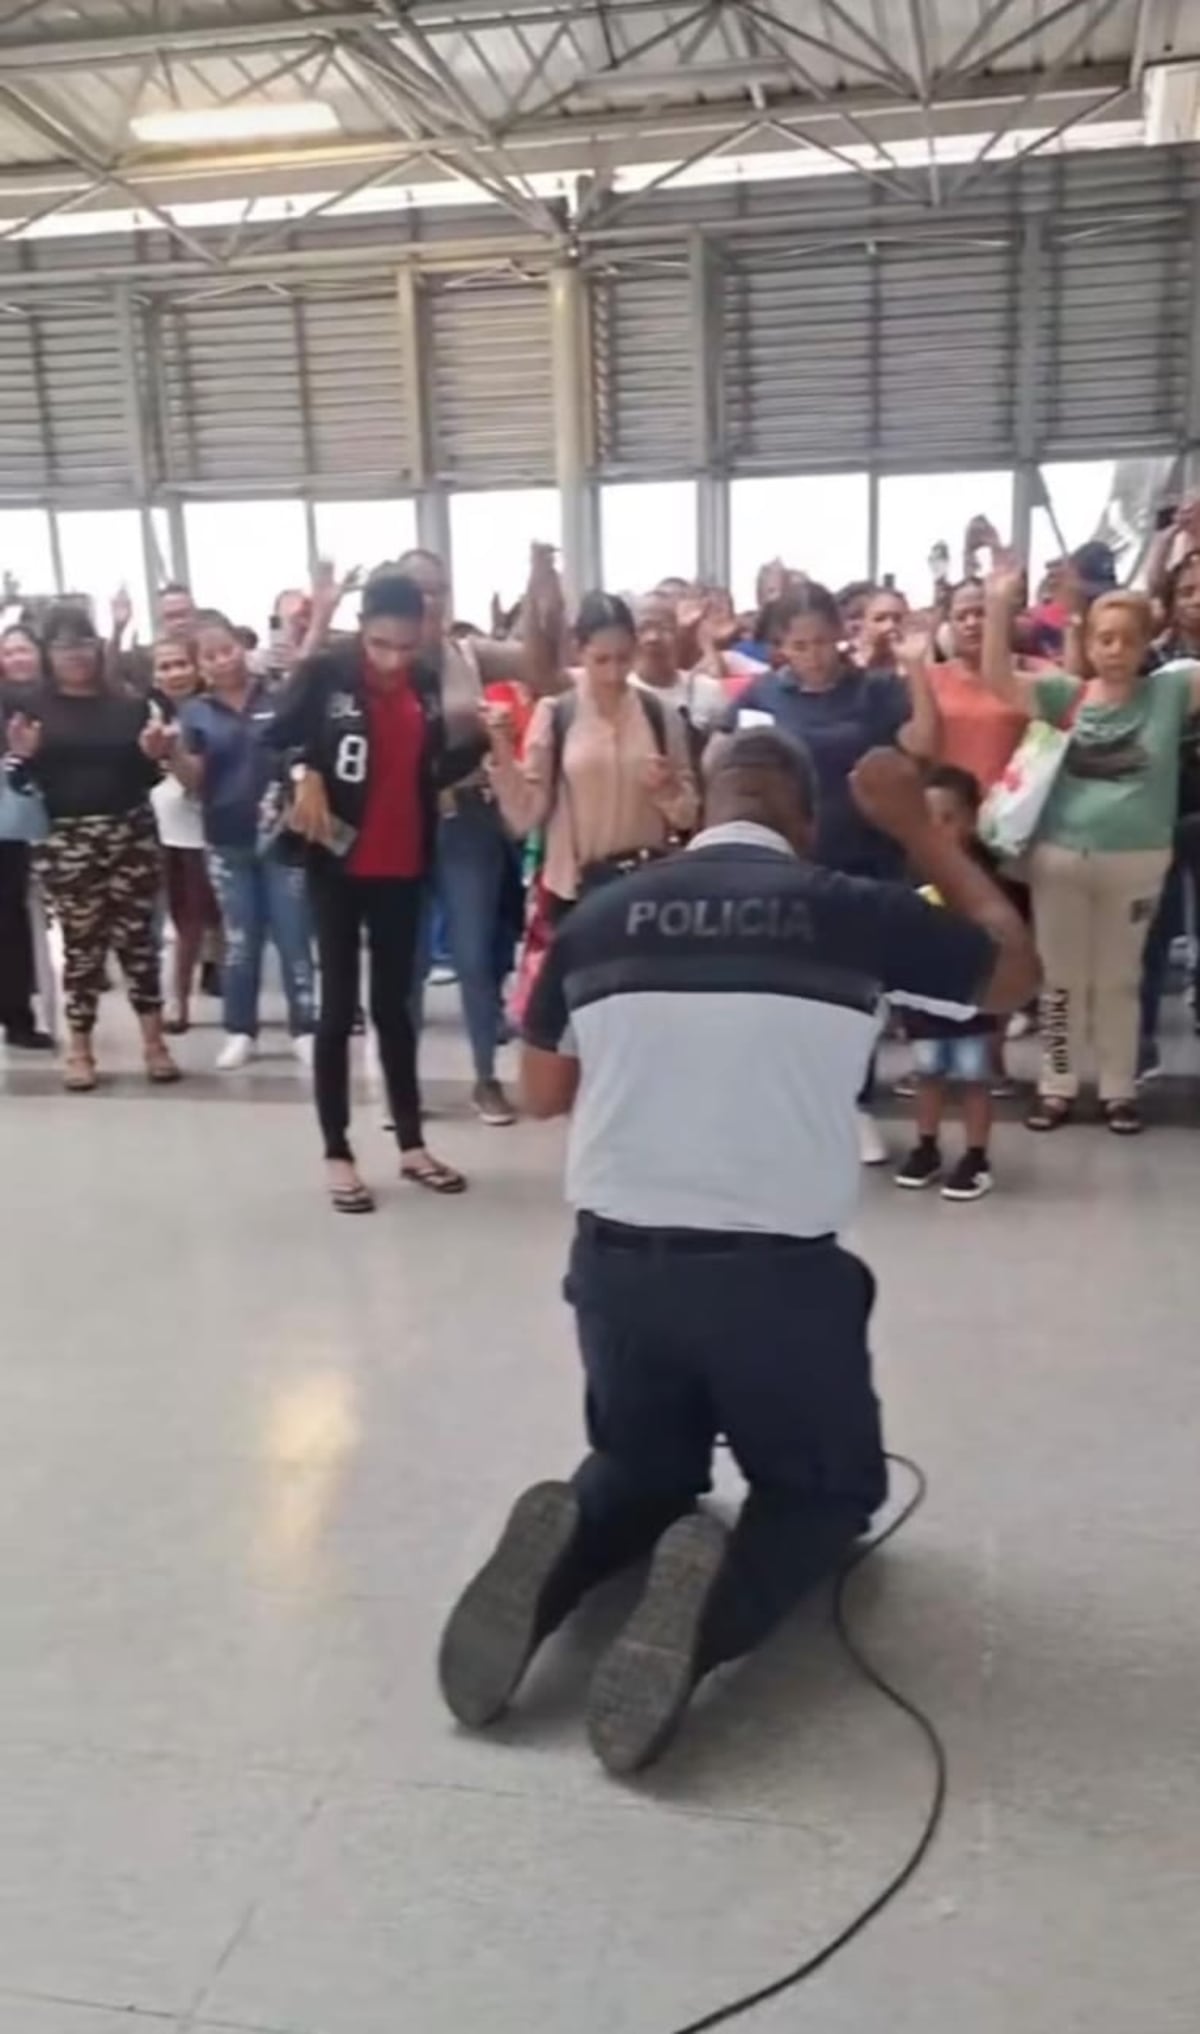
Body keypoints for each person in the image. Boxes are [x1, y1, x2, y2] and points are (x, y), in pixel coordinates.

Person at [437, 731, 1039, 1773]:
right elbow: (1014, 974)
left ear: (702, 806)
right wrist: (917, 834)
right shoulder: (853, 909)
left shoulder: (599, 915)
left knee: (644, 1464)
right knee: (822, 1494)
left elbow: (541, 1095)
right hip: (775, 1280)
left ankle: (571, 1548)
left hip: (617, 1268)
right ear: (803, 819)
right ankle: (705, 1617)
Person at [270, 571, 489, 1213]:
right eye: (380, 645)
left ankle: (412, 1143)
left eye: (404, 645)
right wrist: (301, 769)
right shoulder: (326, 675)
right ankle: (337, 1152)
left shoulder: (423, 682)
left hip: (403, 864)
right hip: (337, 865)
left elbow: (425, 771)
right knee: (339, 1011)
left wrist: (480, 746)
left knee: (395, 1010)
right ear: (361, 631)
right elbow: (273, 739)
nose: (393, 659)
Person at [716, 581, 939, 1165]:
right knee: (789, 990)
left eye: (823, 641)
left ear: (843, 636)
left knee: (858, 991)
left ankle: (853, 1100)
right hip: (789, 861)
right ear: (781, 646)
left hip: (866, 857)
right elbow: (736, 766)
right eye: (799, 644)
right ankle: (790, 1104)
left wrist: (918, 669)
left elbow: (923, 747)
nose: (814, 654)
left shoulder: (878, 692)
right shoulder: (762, 695)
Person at [983, 562, 1200, 1133]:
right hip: (1061, 859)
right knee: (1059, 979)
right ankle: (1056, 1085)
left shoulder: (1172, 691)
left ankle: (1117, 1089)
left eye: (1129, 640)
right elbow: (999, 679)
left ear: (1146, 642)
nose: (1115, 650)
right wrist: (1000, 603)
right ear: (1088, 639)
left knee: (1119, 978)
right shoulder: (1065, 693)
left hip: (1137, 863)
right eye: (1105, 638)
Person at [396, 545, 558, 1126]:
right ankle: (402, 1085)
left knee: (472, 954)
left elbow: (539, 666)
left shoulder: (467, 653)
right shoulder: (373, 660)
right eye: (418, 589)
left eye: (439, 587)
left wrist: (541, 593)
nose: (431, 599)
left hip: (467, 817)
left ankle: (487, 1078)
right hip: (399, 823)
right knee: (405, 959)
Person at [4, 603, 179, 1091]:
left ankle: (154, 1043)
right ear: (48, 653)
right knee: (82, 948)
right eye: (63, 647)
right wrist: (22, 756)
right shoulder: (31, 707)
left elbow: (146, 776)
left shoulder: (126, 703)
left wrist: (154, 757)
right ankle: (80, 1049)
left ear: (97, 648)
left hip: (130, 832)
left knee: (139, 944)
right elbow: (20, 781)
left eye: (83, 645)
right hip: (67, 839)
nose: (75, 656)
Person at [486, 591, 698, 918]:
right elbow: (526, 812)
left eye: (624, 658)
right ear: (579, 651)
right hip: (576, 888)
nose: (614, 672)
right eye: (602, 659)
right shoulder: (557, 714)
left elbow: (688, 814)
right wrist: (500, 745)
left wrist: (668, 788)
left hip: (646, 886)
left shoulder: (659, 714)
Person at [173, 611, 315, 1071]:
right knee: (239, 942)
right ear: (200, 666)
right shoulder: (194, 713)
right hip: (226, 840)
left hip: (283, 837)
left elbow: (302, 755)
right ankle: (240, 1029)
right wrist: (170, 752)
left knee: (294, 937)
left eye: (227, 649)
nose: (221, 661)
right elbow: (193, 781)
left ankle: (305, 1027)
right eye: (209, 656)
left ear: (243, 647)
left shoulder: (277, 698)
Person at [893, 767, 1002, 1202]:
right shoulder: (908, 873)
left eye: (949, 817)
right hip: (925, 999)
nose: (938, 828)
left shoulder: (986, 876)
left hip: (973, 997)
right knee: (929, 1074)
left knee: (974, 1077)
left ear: (971, 820)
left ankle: (976, 1156)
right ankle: (927, 1145)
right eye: (929, 817)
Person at [1138, 547, 1200, 1074]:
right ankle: (1139, 1045)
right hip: (1158, 809)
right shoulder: (1152, 657)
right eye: (1187, 590)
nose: (1197, 599)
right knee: (1149, 931)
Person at [148, 637, 219, 1035]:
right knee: (185, 921)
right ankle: (179, 1000)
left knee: (232, 921)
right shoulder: (145, 712)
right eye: (165, 666)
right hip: (171, 831)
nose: (174, 673)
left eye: (181, 664)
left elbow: (197, 780)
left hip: (216, 825)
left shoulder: (212, 710)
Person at [630, 591, 726, 741]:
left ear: (678, 633)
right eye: (644, 628)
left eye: (663, 628)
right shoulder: (619, 694)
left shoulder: (708, 691)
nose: (653, 637)